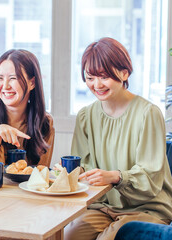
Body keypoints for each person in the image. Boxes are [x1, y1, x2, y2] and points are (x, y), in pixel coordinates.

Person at [64, 37, 172, 240]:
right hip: (103, 207)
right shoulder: (86, 116)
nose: (96, 85)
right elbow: (82, 167)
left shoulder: (147, 113)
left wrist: (116, 177)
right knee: (68, 235)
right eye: (90, 77)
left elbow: (150, 177)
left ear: (124, 73)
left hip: (147, 209)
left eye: (104, 77)